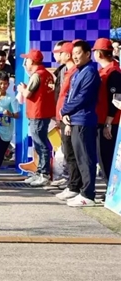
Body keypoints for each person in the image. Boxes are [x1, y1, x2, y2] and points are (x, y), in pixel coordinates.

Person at [60, 40, 101, 207]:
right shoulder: (79, 71)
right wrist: (65, 113)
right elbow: (69, 95)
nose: (75, 56)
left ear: (87, 54)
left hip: (84, 119)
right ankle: (81, 191)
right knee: (78, 157)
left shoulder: (90, 72)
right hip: (75, 118)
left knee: (85, 158)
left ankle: (88, 194)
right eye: (73, 54)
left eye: (78, 53)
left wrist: (65, 110)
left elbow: (82, 97)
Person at [17, 49, 55, 187]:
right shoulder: (46, 74)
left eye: (26, 59)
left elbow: (27, 94)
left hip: (38, 113)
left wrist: (22, 90)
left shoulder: (37, 75)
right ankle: (39, 172)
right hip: (42, 112)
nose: (25, 62)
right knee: (39, 143)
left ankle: (44, 173)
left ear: (32, 61)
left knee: (41, 144)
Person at [92, 38, 121, 200]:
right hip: (102, 121)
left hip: (109, 123)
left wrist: (109, 122)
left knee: (107, 157)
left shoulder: (113, 72)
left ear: (99, 53)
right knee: (103, 157)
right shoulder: (105, 71)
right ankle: (111, 189)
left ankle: (113, 191)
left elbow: (116, 100)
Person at [54, 42, 80, 195]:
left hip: (69, 118)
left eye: (61, 52)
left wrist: (66, 115)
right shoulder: (68, 72)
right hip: (63, 116)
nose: (59, 55)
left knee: (71, 153)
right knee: (68, 152)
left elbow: (71, 98)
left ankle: (74, 186)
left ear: (68, 55)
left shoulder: (74, 72)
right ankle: (71, 183)